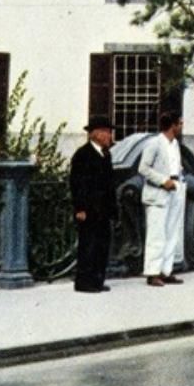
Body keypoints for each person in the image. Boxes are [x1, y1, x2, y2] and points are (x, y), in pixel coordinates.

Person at [68, 115, 116, 293]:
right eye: (106, 132)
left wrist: (113, 208)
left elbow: (110, 183)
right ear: (96, 134)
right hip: (89, 209)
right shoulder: (83, 155)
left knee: (102, 245)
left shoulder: (106, 154)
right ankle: (84, 282)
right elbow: (77, 183)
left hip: (103, 209)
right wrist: (79, 207)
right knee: (88, 245)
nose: (109, 136)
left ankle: (97, 279)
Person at [139, 111, 187, 287]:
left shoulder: (175, 145)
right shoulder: (154, 143)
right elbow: (143, 168)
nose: (181, 127)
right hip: (159, 192)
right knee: (157, 234)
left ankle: (166, 270)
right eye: (180, 124)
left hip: (175, 188)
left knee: (172, 232)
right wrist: (162, 180)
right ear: (172, 125)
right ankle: (152, 272)